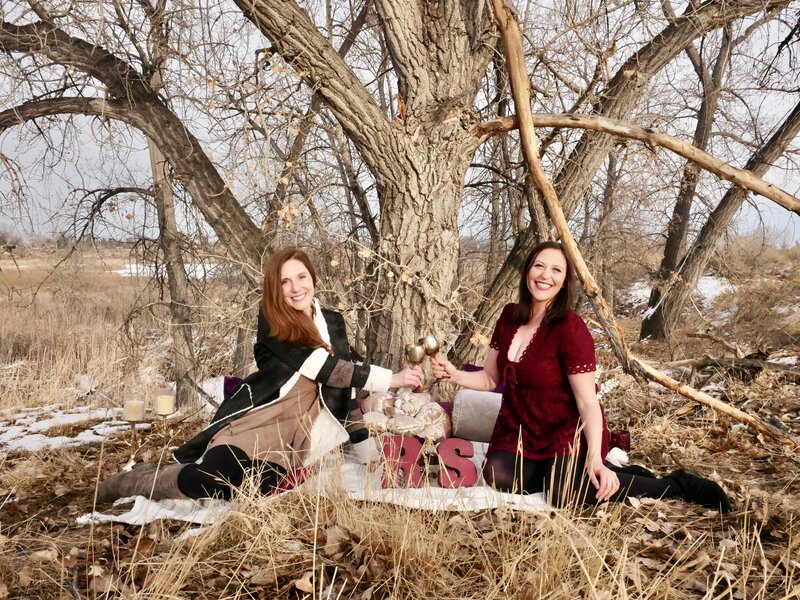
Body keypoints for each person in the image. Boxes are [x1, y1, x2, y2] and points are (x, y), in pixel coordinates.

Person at [97, 248, 423, 503]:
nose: (296, 288)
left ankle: (170, 477)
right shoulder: (273, 323)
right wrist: (393, 379)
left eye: (301, 277)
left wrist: (367, 452)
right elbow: (326, 369)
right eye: (285, 281)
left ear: (313, 278)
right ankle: (138, 481)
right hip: (259, 423)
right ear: (275, 288)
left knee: (246, 491)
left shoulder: (333, 322)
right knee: (213, 477)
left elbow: (346, 392)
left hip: (296, 439)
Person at [431, 241, 730, 512]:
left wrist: (595, 459)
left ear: (563, 282)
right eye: (539, 266)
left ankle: (675, 484)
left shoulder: (569, 328)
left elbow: (588, 402)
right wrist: (454, 374)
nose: (545, 275)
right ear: (527, 272)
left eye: (556, 270)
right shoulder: (509, 317)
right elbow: (489, 380)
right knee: (498, 474)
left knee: (563, 493)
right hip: (519, 429)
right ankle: (572, 472)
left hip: (566, 431)